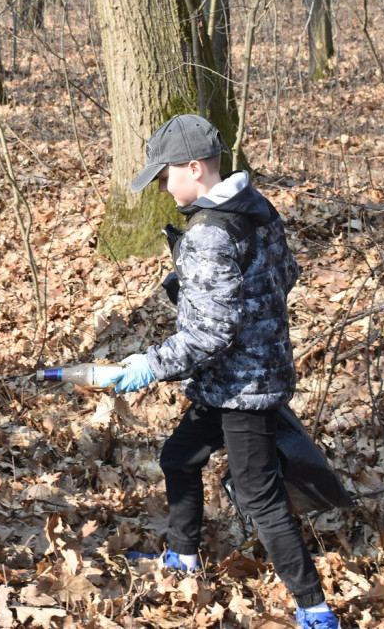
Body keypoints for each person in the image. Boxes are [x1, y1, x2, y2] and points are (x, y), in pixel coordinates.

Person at [109, 115, 341, 629]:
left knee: (260, 497)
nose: (163, 186)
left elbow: (207, 335)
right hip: (234, 377)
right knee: (179, 457)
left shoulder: (209, 234)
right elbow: (286, 274)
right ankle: (184, 557)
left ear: (194, 167)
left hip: (244, 389)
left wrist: (150, 364)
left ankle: (316, 610)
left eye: (166, 175)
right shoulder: (256, 207)